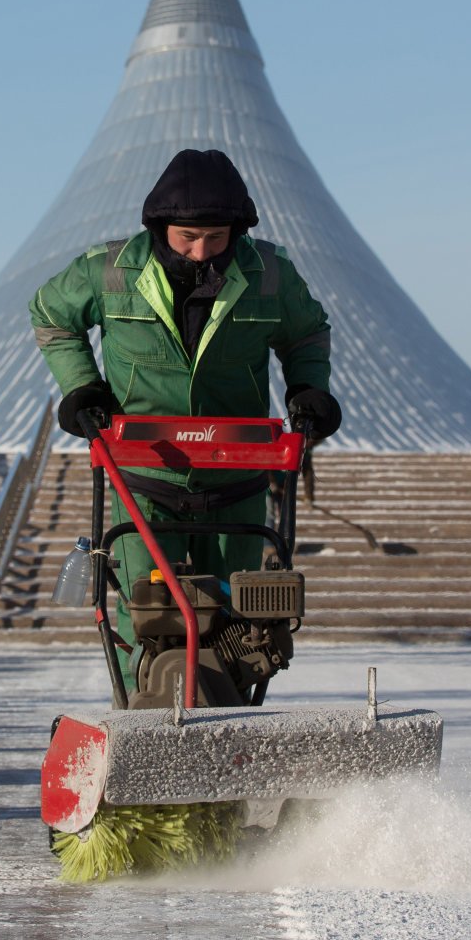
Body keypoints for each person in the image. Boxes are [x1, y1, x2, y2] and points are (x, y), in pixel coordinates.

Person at [28, 148, 341, 691]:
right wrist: (83, 388)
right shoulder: (108, 270)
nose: (202, 252)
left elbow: (307, 331)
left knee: (240, 608)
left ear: (237, 230)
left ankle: (233, 712)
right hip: (144, 475)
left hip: (236, 475)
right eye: (187, 239)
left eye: (216, 239)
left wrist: (308, 388)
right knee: (147, 609)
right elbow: (51, 315)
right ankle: (144, 715)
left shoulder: (268, 274)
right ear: (159, 227)